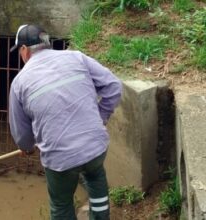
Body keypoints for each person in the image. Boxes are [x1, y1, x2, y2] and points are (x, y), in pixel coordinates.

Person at [8, 24, 122, 220]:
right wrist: (99, 118)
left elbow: (21, 134)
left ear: (24, 50)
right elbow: (113, 86)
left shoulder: (19, 83)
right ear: (46, 43)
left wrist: (27, 147)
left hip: (60, 159)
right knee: (96, 178)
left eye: (19, 50)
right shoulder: (76, 57)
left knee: (61, 204)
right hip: (95, 146)